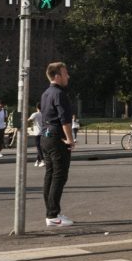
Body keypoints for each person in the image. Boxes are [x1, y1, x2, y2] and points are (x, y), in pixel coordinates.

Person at [39, 61, 76, 227]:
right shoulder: (60, 94)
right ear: (57, 76)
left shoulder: (46, 93)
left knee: (50, 174)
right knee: (59, 176)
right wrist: (70, 139)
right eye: (65, 72)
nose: (68, 75)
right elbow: (64, 119)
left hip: (45, 137)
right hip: (56, 137)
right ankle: (53, 215)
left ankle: (51, 212)